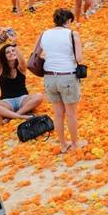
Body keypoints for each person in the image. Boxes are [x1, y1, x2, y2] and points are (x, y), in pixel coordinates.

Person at [39, 8, 85, 153]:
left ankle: (63, 145)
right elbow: (79, 59)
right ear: (68, 20)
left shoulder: (44, 34)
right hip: (67, 75)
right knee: (71, 113)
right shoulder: (72, 34)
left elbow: (37, 55)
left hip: (49, 77)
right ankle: (75, 144)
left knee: (58, 114)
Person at [0, 31, 43, 123]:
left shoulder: (21, 68)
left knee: (39, 96)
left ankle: (11, 116)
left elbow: (22, 61)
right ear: (4, 56)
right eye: (8, 52)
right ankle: (20, 116)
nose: (11, 53)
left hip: (23, 100)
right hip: (7, 102)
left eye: (13, 51)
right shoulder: (0, 68)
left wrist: (14, 44)